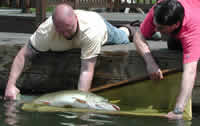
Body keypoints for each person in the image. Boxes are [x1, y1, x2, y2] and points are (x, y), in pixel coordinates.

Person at [4, 3, 162, 100]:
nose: (66, 34)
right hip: (83, 36)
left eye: (69, 29)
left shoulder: (91, 31)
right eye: (61, 32)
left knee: (122, 36)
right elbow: (22, 55)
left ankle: (135, 28)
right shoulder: (46, 31)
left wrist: (81, 100)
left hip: (101, 27)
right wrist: (10, 86)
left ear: (75, 19)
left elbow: (87, 70)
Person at [134, 0, 200, 119]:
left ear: (175, 25)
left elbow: (190, 72)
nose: (156, 29)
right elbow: (138, 36)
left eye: (160, 28)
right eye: (155, 25)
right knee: (172, 44)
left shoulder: (192, 30)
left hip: (195, 21)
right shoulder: (160, 8)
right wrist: (150, 62)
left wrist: (178, 110)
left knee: (181, 48)